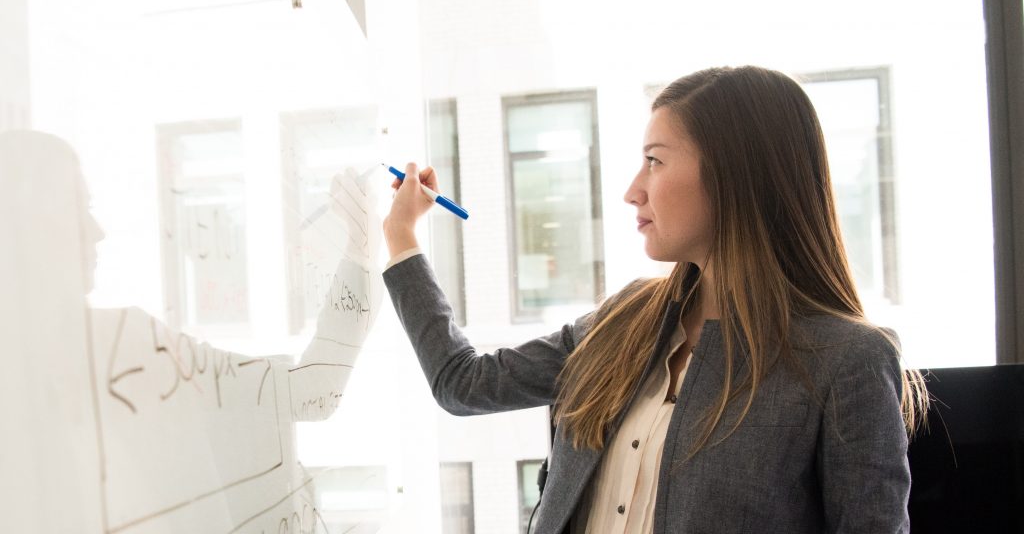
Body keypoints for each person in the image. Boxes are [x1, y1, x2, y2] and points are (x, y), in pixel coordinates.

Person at [381, 66, 927, 533]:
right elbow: (462, 383)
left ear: (735, 175)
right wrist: (402, 237)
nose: (632, 189)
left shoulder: (846, 360)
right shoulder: (622, 321)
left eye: (655, 161)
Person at [0, 129, 381, 533]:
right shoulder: (123, 349)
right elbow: (313, 390)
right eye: (73, 208)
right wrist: (360, 250)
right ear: (20, 229)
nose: (96, 230)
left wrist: (360, 253)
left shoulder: (129, 344)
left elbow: (312, 392)